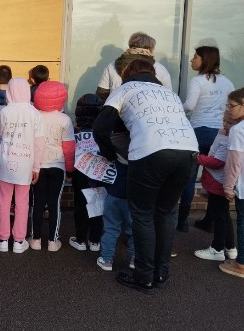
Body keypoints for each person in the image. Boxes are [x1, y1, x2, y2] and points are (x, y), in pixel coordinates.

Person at [93, 59, 198, 293]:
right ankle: (161, 273)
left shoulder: (123, 89)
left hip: (150, 152)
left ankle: (144, 276)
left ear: (125, 74)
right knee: (166, 213)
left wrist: (109, 154)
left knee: (142, 215)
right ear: (153, 74)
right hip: (189, 152)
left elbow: (100, 128)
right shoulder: (168, 93)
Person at [178, 46, 235, 233]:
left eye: (195, 57)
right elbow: (229, 107)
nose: (191, 60)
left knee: (189, 175)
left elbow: (189, 105)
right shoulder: (227, 83)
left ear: (205, 60)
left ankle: (182, 221)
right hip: (218, 133)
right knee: (215, 177)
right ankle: (210, 220)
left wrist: (173, 108)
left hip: (198, 132)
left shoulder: (198, 81)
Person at [0, 77, 43, 253]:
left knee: (3, 201)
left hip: (5, 160)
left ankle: (2, 238)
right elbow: (39, 143)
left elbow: (0, 132)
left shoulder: (3, 112)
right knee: (23, 202)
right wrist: (36, 167)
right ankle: (19, 240)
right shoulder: (34, 113)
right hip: (26, 162)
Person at [29, 81, 75, 251]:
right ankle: (53, 241)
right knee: (55, 202)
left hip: (37, 166)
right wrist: (70, 170)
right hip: (58, 166)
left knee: (37, 201)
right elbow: (69, 149)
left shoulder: (34, 116)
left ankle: (35, 239)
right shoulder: (64, 119)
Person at [194, 112, 238, 261]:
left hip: (219, 182)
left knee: (220, 216)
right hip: (220, 181)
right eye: (224, 121)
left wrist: (197, 158)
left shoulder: (229, 140)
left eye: (230, 122)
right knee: (224, 214)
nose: (225, 124)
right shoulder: (226, 135)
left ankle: (217, 249)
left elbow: (217, 161)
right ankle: (230, 247)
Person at [69, 94, 104, 252]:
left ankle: (81, 239)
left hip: (80, 173)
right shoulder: (103, 131)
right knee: (98, 205)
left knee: (81, 206)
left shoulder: (74, 132)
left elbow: (70, 152)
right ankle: (95, 241)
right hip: (100, 172)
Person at [96, 32, 172, 101]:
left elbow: (101, 94)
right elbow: (168, 96)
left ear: (130, 46)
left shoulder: (112, 66)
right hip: (146, 113)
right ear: (150, 49)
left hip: (116, 112)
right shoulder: (160, 68)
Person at [221, 88, 244, 278]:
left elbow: (234, 162)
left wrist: (228, 186)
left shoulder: (238, 130)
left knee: (242, 223)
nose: (229, 110)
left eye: (232, 106)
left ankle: (241, 264)